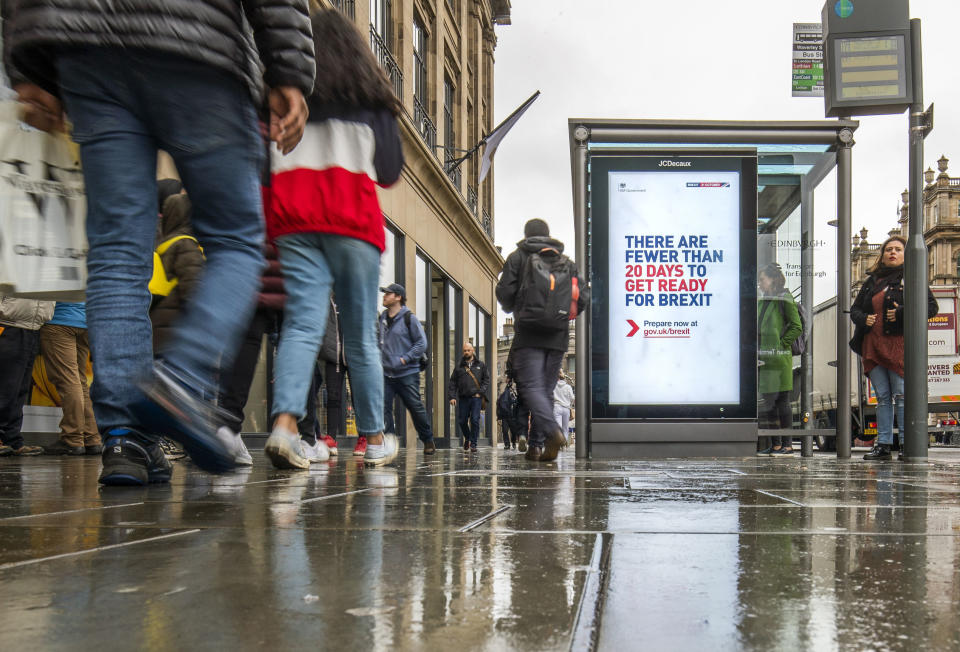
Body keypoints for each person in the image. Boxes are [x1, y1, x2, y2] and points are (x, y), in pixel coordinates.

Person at [4, 0, 315, 485]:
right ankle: (181, 382)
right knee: (237, 240)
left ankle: (125, 438)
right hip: (198, 46)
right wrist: (289, 67)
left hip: (88, 52)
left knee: (115, 253)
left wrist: (27, 61)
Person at [264, 8, 403, 469]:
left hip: (296, 220)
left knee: (302, 326)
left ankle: (285, 427)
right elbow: (388, 171)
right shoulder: (371, 99)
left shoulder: (285, 94)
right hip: (352, 223)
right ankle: (375, 438)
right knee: (361, 336)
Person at [496, 218, 587, 463]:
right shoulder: (566, 263)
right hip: (558, 335)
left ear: (527, 236)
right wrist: (560, 315)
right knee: (545, 390)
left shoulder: (518, 257)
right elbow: (583, 298)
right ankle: (536, 446)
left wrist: (516, 307)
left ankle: (553, 433)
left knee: (532, 388)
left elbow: (504, 293)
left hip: (528, 332)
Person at [851, 235, 938, 461]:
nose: (892, 253)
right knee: (882, 397)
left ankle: (907, 444)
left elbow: (930, 307)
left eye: (898, 249)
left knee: (901, 395)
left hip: (898, 345)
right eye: (889, 249)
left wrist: (900, 313)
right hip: (874, 345)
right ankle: (883, 445)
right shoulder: (873, 281)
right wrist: (864, 319)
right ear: (882, 254)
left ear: (905, 254)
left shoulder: (912, 277)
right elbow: (855, 310)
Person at [379, 283, 436, 455]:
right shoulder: (382, 317)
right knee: (384, 408)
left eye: (387, 294)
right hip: (386, 373)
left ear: (398, 297)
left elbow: (421, 343)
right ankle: (389, 442)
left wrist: (405, 359)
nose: (384, 296)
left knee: (415, 407)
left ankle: (427, 440)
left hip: (407, 373)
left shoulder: (409, 318)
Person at [39, 302, 101, 454]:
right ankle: (91, 438)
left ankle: (72, 439)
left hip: (59, 321)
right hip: (85, 322)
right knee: (80, 381)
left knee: (68, 381)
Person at [756, 263, 802, 456]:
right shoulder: (762, 301)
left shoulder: (784, 298)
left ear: (773, 280)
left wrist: (782, 345)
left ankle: (787, 444)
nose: (759, 284)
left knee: (782, 402)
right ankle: (775, 444)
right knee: (769, 403)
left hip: (779, 359)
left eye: (762, 280)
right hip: (764, 359)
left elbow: (796, 326)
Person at [150, 194, 205, 353]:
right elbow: (193, 288)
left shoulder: (161, 244)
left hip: (158, 327)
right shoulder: (186, 244)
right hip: (177, 330)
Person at [0, 295, 52, 456]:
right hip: (9, 324)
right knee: (5, 387)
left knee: (20, 389)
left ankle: (12, 439)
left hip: (33, 327)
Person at [448, 341, 489, 453]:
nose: (466, 352)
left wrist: (480, 392)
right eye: (465, 350)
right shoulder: (459, 367)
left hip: (476, 398)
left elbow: (486, 380)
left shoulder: (481, 365)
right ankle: (468, 438)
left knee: (475, 420)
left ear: (473, 351)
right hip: (463, 398)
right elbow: (452, 383)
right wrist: (452, 397)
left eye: (468, 350)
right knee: (462, 421)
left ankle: (474, 444)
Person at [496, 378, 520, 450]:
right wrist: (499, 415)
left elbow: (517, 400)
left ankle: (513, 442)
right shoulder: (503, 389)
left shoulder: (515, 388)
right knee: (505, 430)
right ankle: (507, 444)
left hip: (513, 414)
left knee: (513, 431)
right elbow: (499, 403)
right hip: (505, 414)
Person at [552, 369, 574, 445]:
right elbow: (572, 398)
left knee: (558, 427)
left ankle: (558, 441)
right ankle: (563, 442)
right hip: (566, 408)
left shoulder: (553, 386)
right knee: (565, 428)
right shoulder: (568, 387)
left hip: (556, 407)